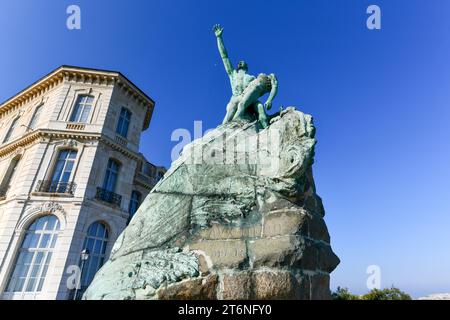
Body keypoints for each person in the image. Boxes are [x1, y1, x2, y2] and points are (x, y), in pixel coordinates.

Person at [214, 24, 278, 128]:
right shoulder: (233, 74)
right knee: (231, 110)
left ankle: (266, 129)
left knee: (260, 107)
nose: (240, 63)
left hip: (250, 99)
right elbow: (224, 57)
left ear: (246, 66)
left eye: (243, 62)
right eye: (239, 62)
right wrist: (219, 38)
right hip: (236, 97)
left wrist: (269, 100)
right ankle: (223, 129)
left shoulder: (252, 78)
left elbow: (260, 89)